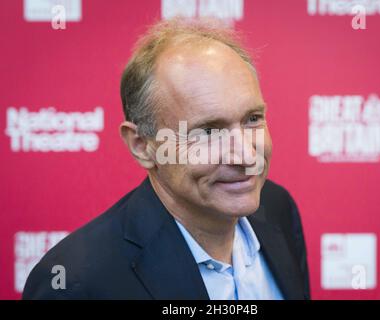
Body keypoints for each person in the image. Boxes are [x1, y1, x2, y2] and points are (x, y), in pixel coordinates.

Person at [23, 18, 310, 300]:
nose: (247, 155)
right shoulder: (75, 284)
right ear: (142, 146)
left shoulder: (277, 209)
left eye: (252, 119)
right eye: (209, 131)